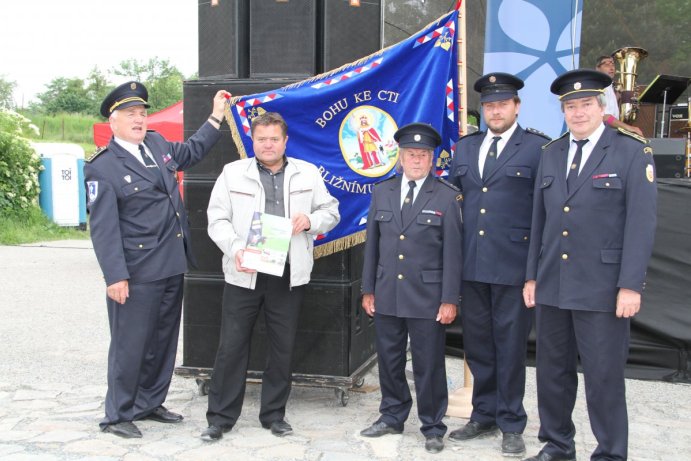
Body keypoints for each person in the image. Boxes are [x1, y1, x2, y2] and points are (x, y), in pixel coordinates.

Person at [522, 69, 657, 461]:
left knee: (603, 377)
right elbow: (539, 222)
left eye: (585, 104)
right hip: (553, 284)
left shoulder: (631, 151)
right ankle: (557, 445)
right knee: (552, 373)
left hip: (603, 286)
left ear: (601, 107)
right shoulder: (552, 153)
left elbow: (641, 224)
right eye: (570, 106)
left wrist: (630, 285)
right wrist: (532, 275)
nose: (577, 113)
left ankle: (611, 453)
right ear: (562, 111)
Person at [85, 81, 230, 438]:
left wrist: (215, 116)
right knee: (130, 343)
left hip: (171, 263)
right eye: (130, 115)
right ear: (113, 122)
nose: (139, 120)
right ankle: (118, 415)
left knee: (162, 341)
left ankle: (149, 403)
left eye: (142, 113)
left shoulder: (157, 144)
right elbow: (103, 230)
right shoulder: (102, 168)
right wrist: (115, 276)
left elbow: (193, 151)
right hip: (136, 273)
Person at [201, 111, 340, 441]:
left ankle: (274, 415)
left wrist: (310, 221)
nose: (267, 144)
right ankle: (220, 418)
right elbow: (216, 219)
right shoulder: (233, 173)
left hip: (288, 272)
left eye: (273, 139)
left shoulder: (307, 173)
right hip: (245, 271)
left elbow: (331, 211)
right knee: (232, 346)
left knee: (283, 347)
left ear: (285, 141)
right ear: (253, 140)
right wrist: (236, 249)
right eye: (261, 139)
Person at [447, 72, 549, 457]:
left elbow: (544, 213)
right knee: (478, 345)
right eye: (489, 105)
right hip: (472, 265)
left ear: (516, 107)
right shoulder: (465, 147)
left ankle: (511, 421)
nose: (495, 110)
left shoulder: (538, 148)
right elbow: (457, 205)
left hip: (513, 267)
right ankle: (482, 414)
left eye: (502, 104)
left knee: (509, 348)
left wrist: (533, 272)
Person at [359, 123, 462, 454]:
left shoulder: (446, 196)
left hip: (428, 298)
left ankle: (433, 424)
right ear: (399, 157)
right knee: (388, 360)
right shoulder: (382, 192)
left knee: (428, 363)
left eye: (423, 155)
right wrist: (368, 289)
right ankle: (392, 415)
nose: (416, 160)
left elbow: (453, 254)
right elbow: (372, 245)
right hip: (387, 291)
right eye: (410, 154)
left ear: (431, 160)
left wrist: (449, 299)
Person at [595, 55, 644, 136]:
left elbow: (609, 108)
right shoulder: (598, 87)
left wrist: (619, 96)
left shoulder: (609, 86)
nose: (611, 67)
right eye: (607, 65)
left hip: (610, 134)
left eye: (613, 64)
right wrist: (629, 128)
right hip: (601, 135)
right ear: (598, 69)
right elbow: (605, 117)